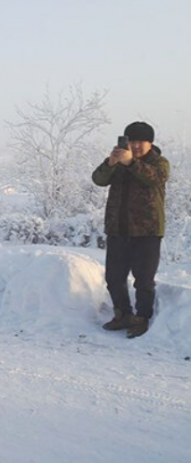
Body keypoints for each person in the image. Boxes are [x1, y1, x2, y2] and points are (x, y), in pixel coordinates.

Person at [92, 121, 169, 339]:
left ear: (150, 143)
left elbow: (155, 178)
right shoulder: (119, 161)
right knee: (114, 277)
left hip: (147, 231)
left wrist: (131, 162)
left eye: (140, 141)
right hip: (118, 229)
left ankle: (141, 318)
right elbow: (98, 179)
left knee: (143, 280)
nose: (135, 145)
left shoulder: (159, 162)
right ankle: (122, 314)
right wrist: (111, 162)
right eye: (131, 141)